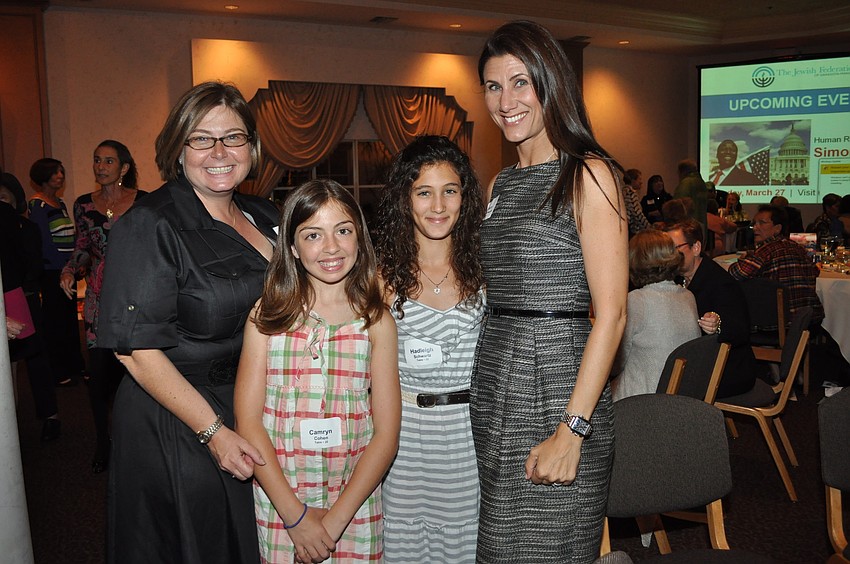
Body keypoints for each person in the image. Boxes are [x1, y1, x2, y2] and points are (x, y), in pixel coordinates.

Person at [97, 81, 280, 563]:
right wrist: (214, 433)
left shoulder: (265, 214)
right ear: (178, 148)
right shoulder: (150, 223)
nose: (219, 152)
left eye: (233, 137)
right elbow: (136, 351)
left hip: (250, 402)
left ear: (251, 147)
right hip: (178, 416)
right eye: (201, 138)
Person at [473, 20, 628, 563]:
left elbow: (612, 314)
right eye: (493, 86)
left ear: (551, 82)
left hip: (560, 388)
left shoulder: (588, 174)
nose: (506, 101)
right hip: (497, 388)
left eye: (521, 82)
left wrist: (573, 429)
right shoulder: (501, 182)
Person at [234, 179, 400, 563]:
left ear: (360, 239)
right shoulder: (266, 317)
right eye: (313, 235)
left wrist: (334, 522)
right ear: (292, 247)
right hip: (282, 505)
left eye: (343, 231)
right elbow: (249, 422)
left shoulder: (376, 323)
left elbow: (386, 435)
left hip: (354, 507)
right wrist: (297, 518)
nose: (331, 247)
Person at [374, 135, 485, 562]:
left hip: (469, 440)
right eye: (424, 192)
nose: (438, 206)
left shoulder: (488, 269)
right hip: (404, 442)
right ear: (405, 199)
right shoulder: (380, 276)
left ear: (464, 198)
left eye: (449, 191)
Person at [59, 140, 147, 474]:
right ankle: (103, 442)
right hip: (98, 299)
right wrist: (70, 270)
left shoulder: (144, 202)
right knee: (98, 378)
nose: (101, 166)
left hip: (135, 299)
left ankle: (136, 441)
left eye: (109, 161)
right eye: (97, 160)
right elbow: (82, 247)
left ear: (124, 167)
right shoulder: (83, 204)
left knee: (135, 376)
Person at [665, 219, 758, 398]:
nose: (669, 256)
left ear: (696, 247)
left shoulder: (721, 283)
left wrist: (717, 325)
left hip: (727, 370)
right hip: (700, 361)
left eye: (675, 249)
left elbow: (739, 331)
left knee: (664, 380)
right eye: (666, 250)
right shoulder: (677, 279)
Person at [1, 172, 61, 441]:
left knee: (36, 359)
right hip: (6, 298)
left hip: (23, 298)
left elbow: (33, 265)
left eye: (3, 199)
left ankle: (50, 416)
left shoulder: (26, 228)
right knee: (7, 365)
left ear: (15, 200)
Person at [610, 230, 700, 401]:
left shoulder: (637, 300)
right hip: (683, 397)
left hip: (645, 400)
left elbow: (616, 362)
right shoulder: (688, 296)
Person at [28, 157, 86, 386]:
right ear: (43, 176)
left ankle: (75, 365)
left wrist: (76, 264)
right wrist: (64, 268)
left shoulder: (60, 203)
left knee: (70, 321)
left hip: (67, 270)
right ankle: (58, 370)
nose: (60, 176)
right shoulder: (37, 204)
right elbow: (44, 243)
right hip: (52, 272)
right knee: (55, 322)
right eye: (54, 172)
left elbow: (71, 238)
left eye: (61, 171)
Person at [728, 205, 823, 324]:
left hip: (776, 324)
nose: (755, 228)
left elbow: (737, 273)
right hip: (807, 321)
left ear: (777, 228)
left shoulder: (767, 250)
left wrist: (744, 259)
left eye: (762, 223)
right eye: (754, 223)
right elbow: (815, 271)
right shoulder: (798, 248)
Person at [673, 159, 708, 237]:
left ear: (682, 171)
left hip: (688, 226)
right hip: (701, 223)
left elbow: (678, 206)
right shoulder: (701, 183)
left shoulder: (685, 184)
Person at [622, 168, 650, 235]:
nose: (641, 182)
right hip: (633, 231)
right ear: (633, 180)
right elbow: (637, 215)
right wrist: (649, 227)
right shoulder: (630, 193)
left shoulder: (624, 192)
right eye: (639, 179)